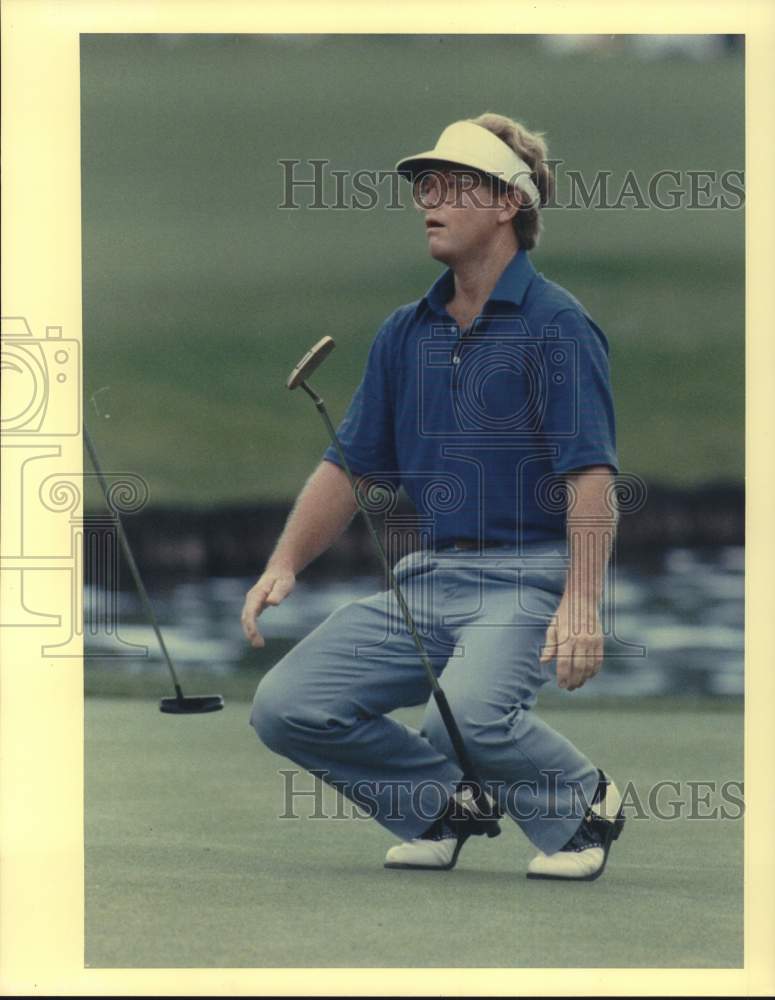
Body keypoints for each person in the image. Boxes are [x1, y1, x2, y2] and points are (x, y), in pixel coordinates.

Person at [242, 112, 625, 881]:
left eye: (454, 186)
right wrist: (283, 562)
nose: (429, 200)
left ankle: (582, 806)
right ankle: (440, 806)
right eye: (425, 186)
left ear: (508, 204)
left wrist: (581, 602)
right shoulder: (403, 330)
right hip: (427, 578)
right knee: (285, 705)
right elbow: (348, 466)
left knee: (477, 715)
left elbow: (591, 477)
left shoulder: (557, 326)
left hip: (526, 575)